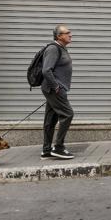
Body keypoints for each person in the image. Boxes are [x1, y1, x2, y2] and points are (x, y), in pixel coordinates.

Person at [40, 24, 75, 160]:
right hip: (54, 89)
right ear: (59, 36)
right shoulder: (53, 49)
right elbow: (46, 70)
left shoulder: (61, 48)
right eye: (67, 32)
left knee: (51, 119)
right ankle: (59, 147)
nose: (70, 34)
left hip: (55, 89)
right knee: (68, 114)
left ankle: (46, 150)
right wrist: (56, 87)